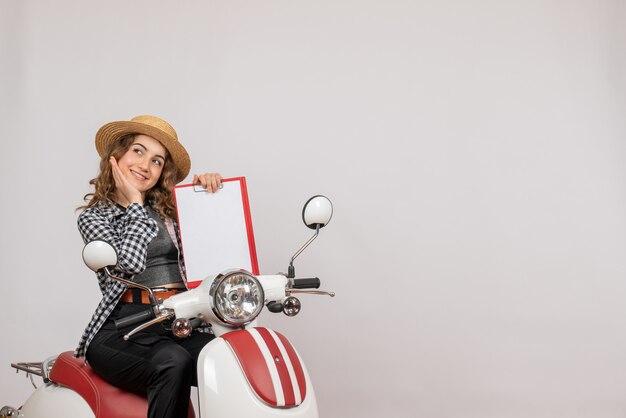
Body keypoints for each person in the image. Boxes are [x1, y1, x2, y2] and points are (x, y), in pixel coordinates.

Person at [74, 115, 222, 418]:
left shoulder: (173, 210)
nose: (145, 165)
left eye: (157, 160)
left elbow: (212, 254)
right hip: (125, 328)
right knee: (172, 361)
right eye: (138, 151)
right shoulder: (95, 218)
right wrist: (134, 205)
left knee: (229, 357)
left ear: (162, 172)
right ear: (116, 157)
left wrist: (205, 199)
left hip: (182, 322)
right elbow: (127, 266)